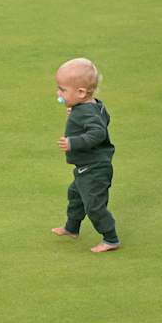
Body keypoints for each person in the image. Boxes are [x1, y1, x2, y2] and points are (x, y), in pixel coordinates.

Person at [51, 58, 120, 253]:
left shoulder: (85, 112)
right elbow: (104, 118)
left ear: (81, 92)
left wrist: (74, 142)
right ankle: (72, 228)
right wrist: (75, 113)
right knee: (75, 196)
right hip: (86, 167)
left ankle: (110, 238)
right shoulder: (92, 106)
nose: (59, 93)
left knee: (94, 205)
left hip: (95, 168)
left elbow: (98, 133)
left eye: (62, 90)